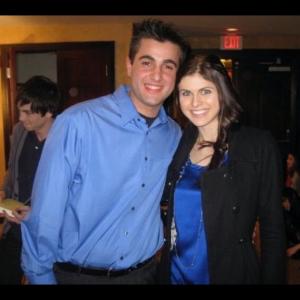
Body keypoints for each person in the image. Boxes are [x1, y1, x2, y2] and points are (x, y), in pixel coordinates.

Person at [20, 19, 190, 285]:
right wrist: (40, 276)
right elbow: (45, 213)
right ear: (129, 65)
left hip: (145, 275)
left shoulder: (174, 134)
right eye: (147, 62)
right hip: (79, 277)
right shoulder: (77, 122)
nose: (157, 75)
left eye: (168, 66)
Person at [157, 53, 286, 284]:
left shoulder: (256, 145)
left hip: (230, 272)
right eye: (186, 93)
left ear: (222, 92)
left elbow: (273, 228)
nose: (195, 103)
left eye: (205, 91)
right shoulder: (180, 140)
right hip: (175, 273)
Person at [0, 75, 61, 284]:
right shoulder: (19, 131)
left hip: (49, 235)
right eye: (20, 110)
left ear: (49, 112)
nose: (20, 118)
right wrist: (4, 193)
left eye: (27, 112)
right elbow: (12, 170)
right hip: (15, 229)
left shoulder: (66, 139)